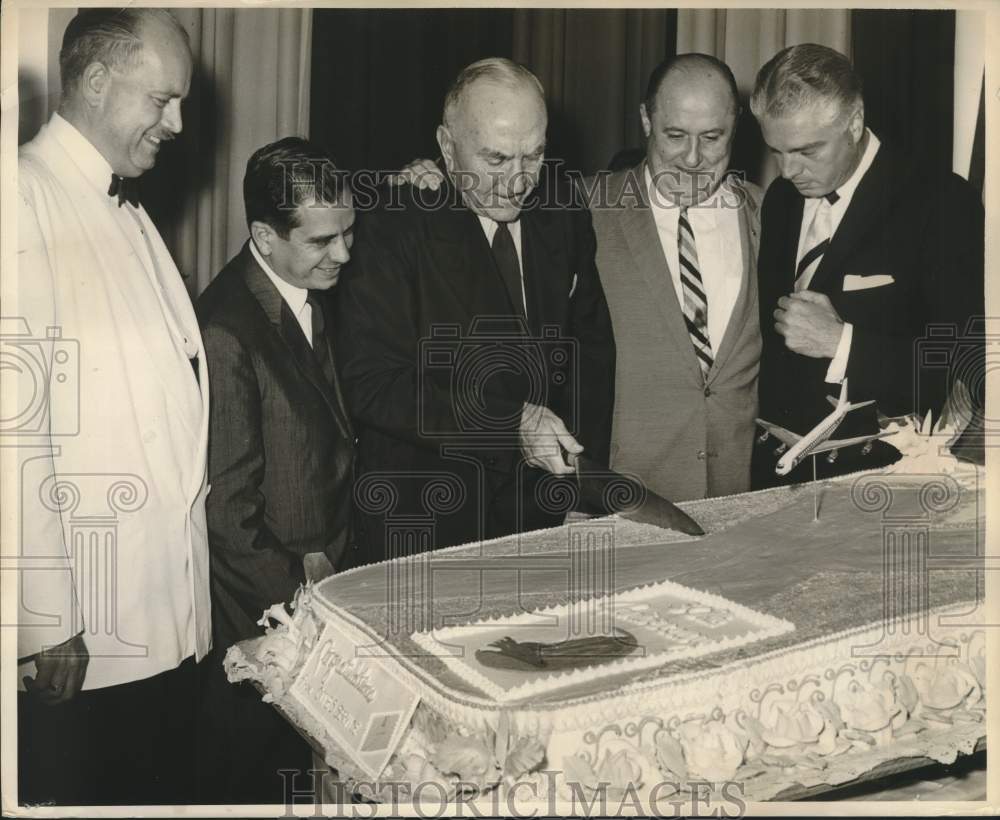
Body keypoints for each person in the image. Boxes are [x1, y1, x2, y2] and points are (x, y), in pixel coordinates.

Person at [12, 9, 209, 804]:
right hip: (85, 629)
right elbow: (13, 431)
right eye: (162, 100)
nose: (179, 123)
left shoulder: (127, 209)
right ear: (96, 82)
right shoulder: (22, 196)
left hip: (162, 612)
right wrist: (43, 617)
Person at [336, 57, 615, 561]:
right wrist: (510, 423)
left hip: (544, 515)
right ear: (446, 146)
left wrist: (583, 484)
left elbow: (590, 357)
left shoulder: (563, 212)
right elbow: (374, 384)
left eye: (534, 156)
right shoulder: (393, 225)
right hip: (429, 522)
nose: (517, 180)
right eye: (495, 160)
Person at [194, 137, 357, 803]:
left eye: (349, 231)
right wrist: (301, 603)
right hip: (266, 626)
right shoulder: (226, 328)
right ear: (264, 234)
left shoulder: (302, 290)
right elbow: (227, 513)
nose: (344, 253)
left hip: (314, 590)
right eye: (323, 240)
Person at [750, 44, 984, 486]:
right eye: (776, 151)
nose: (787, 170)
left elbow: (960, 365)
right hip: (777, 476)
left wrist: (842, 343)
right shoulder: (781, 201)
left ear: (855, 121)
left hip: (878, 480)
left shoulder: (940, 201)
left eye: (807, 151)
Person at [586, 54, 763, 502]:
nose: (692, 158)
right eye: (675, 135)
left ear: (736, 126)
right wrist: (426, 183)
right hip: (626, 499)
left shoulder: (771, 214)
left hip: (743, 500)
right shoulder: (580, 207)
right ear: (646, 120)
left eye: (712, 137)